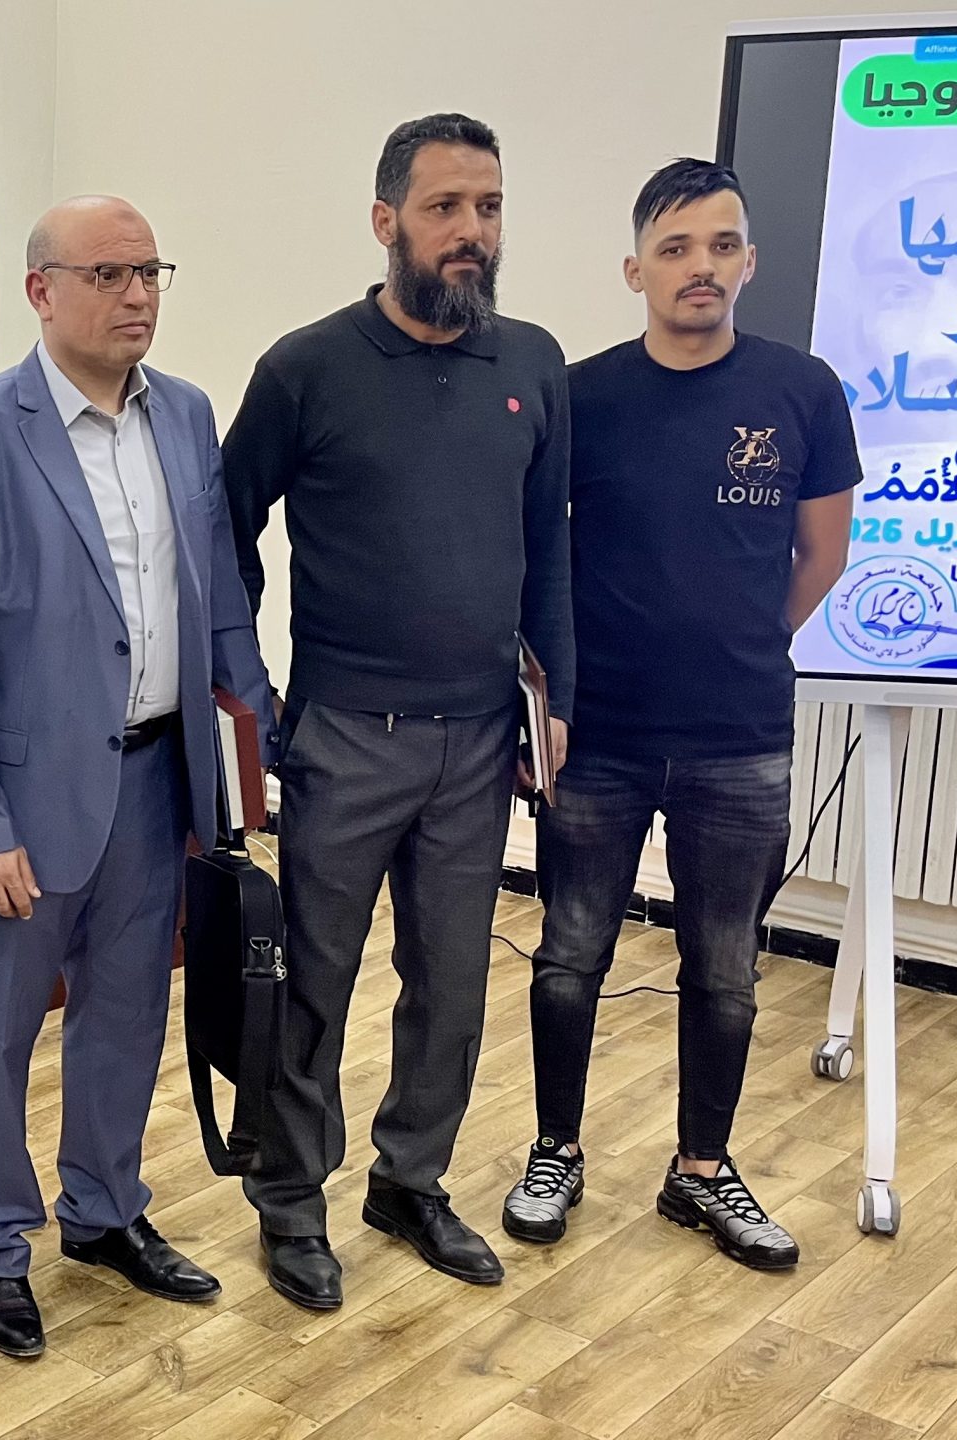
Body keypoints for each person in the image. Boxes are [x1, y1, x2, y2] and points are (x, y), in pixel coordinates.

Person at [222, 113, 573, 1312]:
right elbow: (226, 536)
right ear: (386, 222)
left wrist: (555, 699)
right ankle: (290, 1200)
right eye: (443, 208)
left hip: (477, 744)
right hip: (342, 740)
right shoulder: (305, 368)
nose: (470, 230)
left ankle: (409, 1181)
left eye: (487, 206)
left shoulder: (531, 365)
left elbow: (549, 552)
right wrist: (252, 693)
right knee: (308, 985)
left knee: (452, 985)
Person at [0, 196, 271, 1358]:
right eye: (109, 274)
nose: (136, 295)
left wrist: (243, 761)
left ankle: (106, 1209)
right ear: (40, 290)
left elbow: (218, 598)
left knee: (126, 1012)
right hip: (23, 793)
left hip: (159, 775)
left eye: (149, 273)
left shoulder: (186, 413)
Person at [500, 159, 855, 1271]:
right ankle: (555, 1149)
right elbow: (538, 557)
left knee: (726, 971)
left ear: (748, 261)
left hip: (739, 737)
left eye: (720, 246)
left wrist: (739, 643)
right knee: (568, 956)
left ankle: (701, 1169)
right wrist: (547, 702)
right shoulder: (581, 396)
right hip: (597, 734)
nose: (700, 267)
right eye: (675, 248)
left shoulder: (802, 391)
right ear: (635, 270)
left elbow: (822, 553)